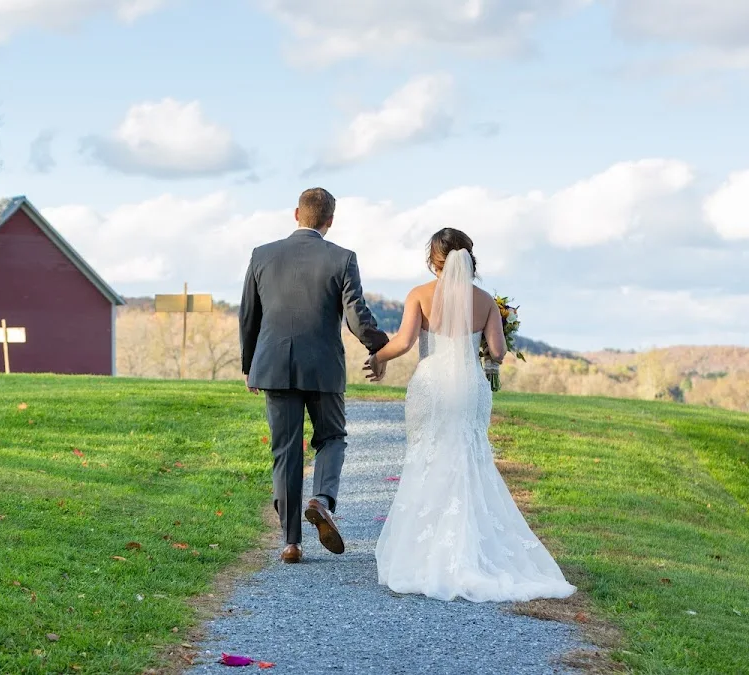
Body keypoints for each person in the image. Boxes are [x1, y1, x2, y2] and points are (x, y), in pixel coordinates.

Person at [366, 227, 575, 602]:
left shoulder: (419, 295)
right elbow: (497, 352)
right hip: (470, 389)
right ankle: (474, 550)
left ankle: (423, 552)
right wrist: (490, 332)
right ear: (470, 259)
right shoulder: (485, 302)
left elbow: (404, 342)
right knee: (470, 459)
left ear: (434, 261)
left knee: (426, 459)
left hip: (431, 387)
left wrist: (378, 357)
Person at [239, 187, 390, 564]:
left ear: (296, 214)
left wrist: (249, 366)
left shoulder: (262, 255)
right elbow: (358, 317)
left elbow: (248, 317)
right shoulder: (342, 258)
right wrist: (379, 348)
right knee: (332, 437)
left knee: (285, 452)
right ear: (330, 221)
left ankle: (291, 543)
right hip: (323, 367)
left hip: (273, 365)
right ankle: (321, 501)